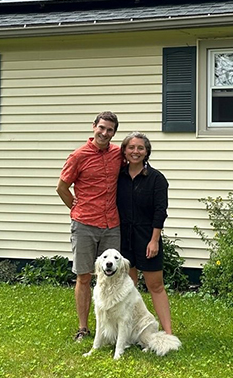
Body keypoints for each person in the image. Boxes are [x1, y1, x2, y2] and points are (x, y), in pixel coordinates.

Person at [57, 111, 121, 342]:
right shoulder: (78, 156)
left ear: (114, 132)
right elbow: (62, 188)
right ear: (93, 126)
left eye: (110, 130)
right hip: (84, 224)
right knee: (84, 276)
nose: (104, 133)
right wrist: (75, 209)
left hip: (112, 224)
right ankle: (83, 328)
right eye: (101, 127)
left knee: (112, 276)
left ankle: (111, 327)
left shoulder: (117, 154)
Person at [117, 131, 173, 335]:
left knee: (155, 285)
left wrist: (154, 240)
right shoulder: (118, 176)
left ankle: (168, 333)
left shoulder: (157, 179)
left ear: (147, 152)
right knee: (128, 286)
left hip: (147, 237)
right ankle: (126, 331)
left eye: (140, 148)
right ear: (124, 150)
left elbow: (160, 211)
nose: (135, 151)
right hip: (123, 238)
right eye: (131, 147)